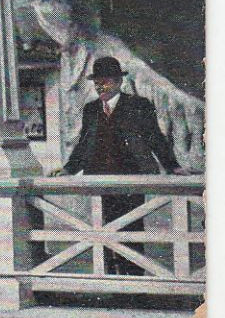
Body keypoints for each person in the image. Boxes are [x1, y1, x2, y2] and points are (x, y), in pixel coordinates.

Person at [55, 56, 180, 275]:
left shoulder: (138, 105)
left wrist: (173, 167)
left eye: (105, 81)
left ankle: (134, 277)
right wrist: (68, 169)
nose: (99, 86)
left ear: (118, 82)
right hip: (99, 181)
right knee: (102, 231)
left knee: (130, 229)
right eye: (96, 82)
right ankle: (111, 279)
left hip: (131, 180)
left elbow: (156, 139)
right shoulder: (91, 109)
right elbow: (84, 143)